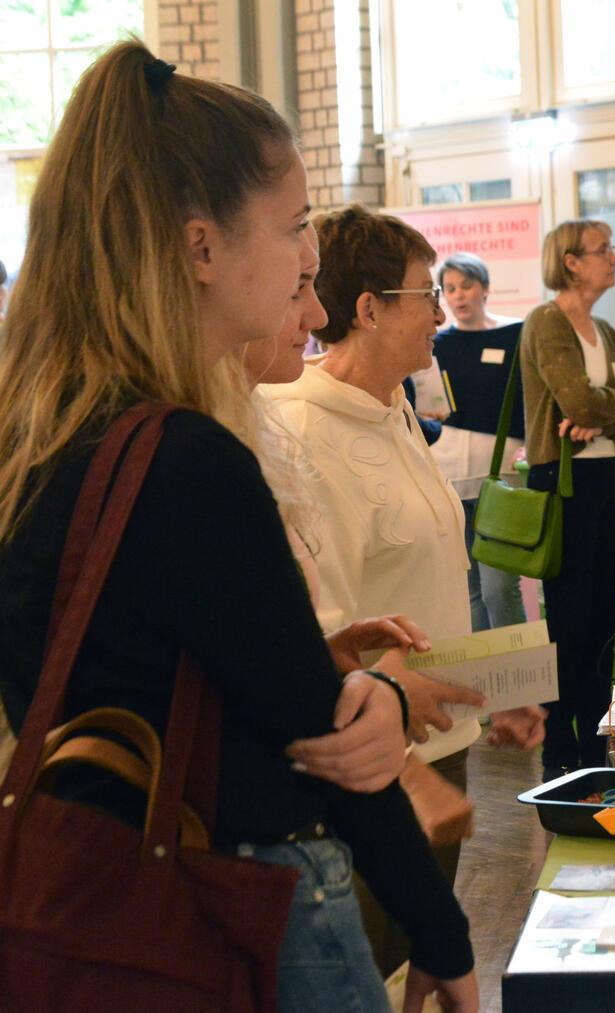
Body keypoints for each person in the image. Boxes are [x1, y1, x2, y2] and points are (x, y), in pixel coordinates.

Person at [0, 42, 476, 1011]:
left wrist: (328, 667)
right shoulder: (182, 455)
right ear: (201, 246)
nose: (311, 258)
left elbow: (156, 662)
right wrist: (445, 933)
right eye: (294, 225)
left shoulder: (40, 435)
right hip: (233, 905)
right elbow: (324, 739)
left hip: (85, 901)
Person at [262, 204, 544, 974]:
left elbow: (427, 587)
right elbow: (324, 630)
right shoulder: (296, 429)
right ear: (369, 309)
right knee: (379, 970)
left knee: (418, 972)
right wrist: (410, 773)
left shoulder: (396, 410)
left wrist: (493, 683)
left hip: (440, 743)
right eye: (426, 294)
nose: (438, 313)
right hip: (380, 769)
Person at [521, 219, 615, 779]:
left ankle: (597, 743)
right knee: (567, 624)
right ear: (571, 261)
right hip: (564, 487)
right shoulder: (546, 322)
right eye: (603, 250)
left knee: (603, 619)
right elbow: (575, 399)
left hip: (607, 485)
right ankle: (559, 750)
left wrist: (602, 411)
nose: (614, 258)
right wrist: (602, 410)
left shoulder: (606, 331)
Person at [421, 251, 527, 632]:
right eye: (449, 288)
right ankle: (487, 683)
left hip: (501, 476)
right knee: (468, 591)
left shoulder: (516, 333)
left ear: (484, 288)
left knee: (500, 587)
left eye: (466, 285)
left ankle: (523, 681)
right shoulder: (436, 343)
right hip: (447, 476)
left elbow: (528, 400)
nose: (458, 295)